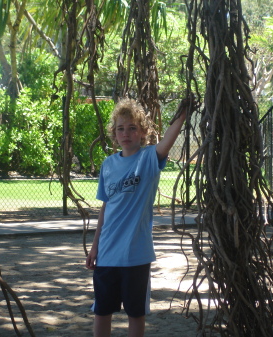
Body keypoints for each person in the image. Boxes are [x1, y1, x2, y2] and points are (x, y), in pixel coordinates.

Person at [85, 97, 188, 337]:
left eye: (132, 128)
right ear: (114, 133)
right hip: (107, 253)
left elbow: (166, 143)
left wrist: (181, 116)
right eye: (120, 128)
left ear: (143, 132)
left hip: (136, 255)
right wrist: (94, 246)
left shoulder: (149, 159)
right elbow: (105, 208)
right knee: (102, 311)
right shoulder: (108, 165)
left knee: (135, 314)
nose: (126, 133)